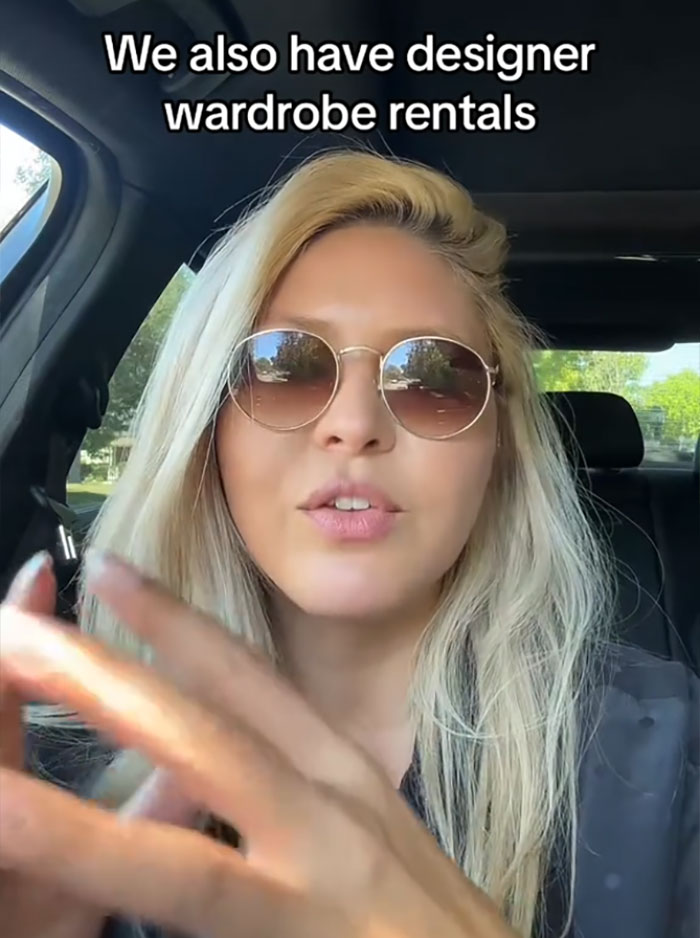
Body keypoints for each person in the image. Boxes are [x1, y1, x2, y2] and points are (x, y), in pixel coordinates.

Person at [0, 150, 697, 938]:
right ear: (206, 424)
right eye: (285, 365)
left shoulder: (665, 760)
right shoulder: (36, 774)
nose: (356, 425)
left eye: (434, 378)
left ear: (498, 447)